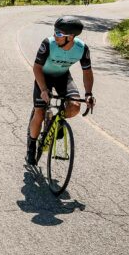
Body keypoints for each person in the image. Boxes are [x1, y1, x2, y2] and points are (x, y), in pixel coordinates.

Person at [26, 16, 96, 165]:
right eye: (55, 32)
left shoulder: (82, 49)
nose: (54, 36)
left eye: (58, 34)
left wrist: (89, 93)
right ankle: (32, 145)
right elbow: (37, 68)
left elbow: (87, 72)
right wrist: (44, 89)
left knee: (75, 106)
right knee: (39, 111)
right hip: (44, 77)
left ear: (70, 37)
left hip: (63, 77)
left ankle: (54, 121)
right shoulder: (48, 44)